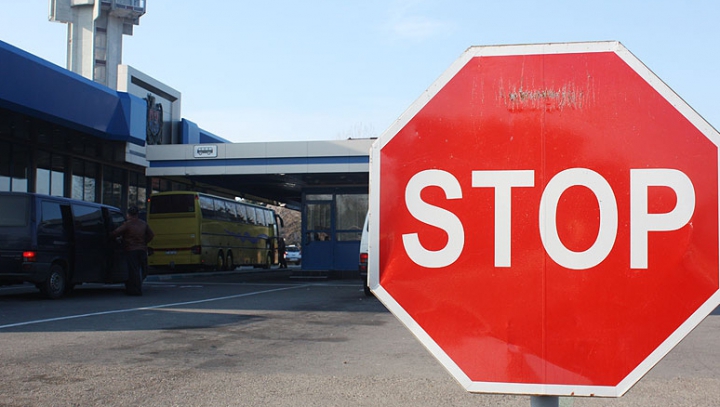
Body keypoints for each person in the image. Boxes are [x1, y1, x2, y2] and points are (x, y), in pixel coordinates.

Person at [111, 205, 154, 296]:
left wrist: (117, 238)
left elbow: (115, 233)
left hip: (131, 249)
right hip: (142, 249)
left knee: (133, 270)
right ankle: (138, 286)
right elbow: (151, 235)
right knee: (142, 269)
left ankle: (134, 290)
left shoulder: (127, 224)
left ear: (129, 214)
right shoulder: (143, 224)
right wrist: (144, 242)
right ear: (137, 214)